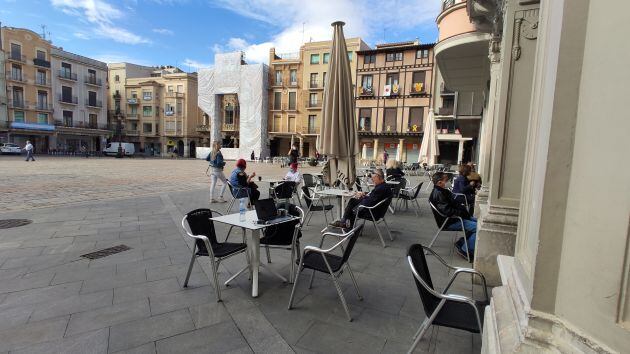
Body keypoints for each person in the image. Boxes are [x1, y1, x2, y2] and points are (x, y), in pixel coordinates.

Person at [429, 172, 477, 260]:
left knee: (478, 222)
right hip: (449, 221)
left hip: (455, 218)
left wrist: (462, 210)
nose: (449, 182)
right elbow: (447, 211)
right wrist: (461, 212)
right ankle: (465, 250)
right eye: (446, 180)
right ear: (440, 183)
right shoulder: (438, 193)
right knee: (478, 227)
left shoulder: (443, 191)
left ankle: (463, 242)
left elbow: (453, 204)